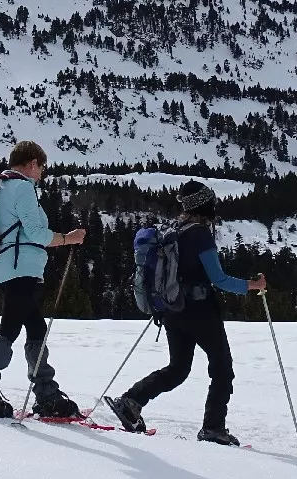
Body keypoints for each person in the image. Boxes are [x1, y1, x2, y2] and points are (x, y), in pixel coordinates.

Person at [107, 181, 266, 444]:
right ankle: (213, 428)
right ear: (205, 204)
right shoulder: (200, 234)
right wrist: (252, 285)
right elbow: (219, 279)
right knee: (222, 369)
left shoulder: (173, 231)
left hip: (173, 309)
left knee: (178, 369)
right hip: (200, 311)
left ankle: (131, 401)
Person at [0, 140, 86, 419]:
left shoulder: (1, 186)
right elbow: (36, 233)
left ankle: (46, 393)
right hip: (20, 266)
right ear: (32, 163)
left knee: (35, 327)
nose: (41, 174)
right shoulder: (22, 188)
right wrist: (68, 239)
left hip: (6, 265)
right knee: (10, 328)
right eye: (41, 168)